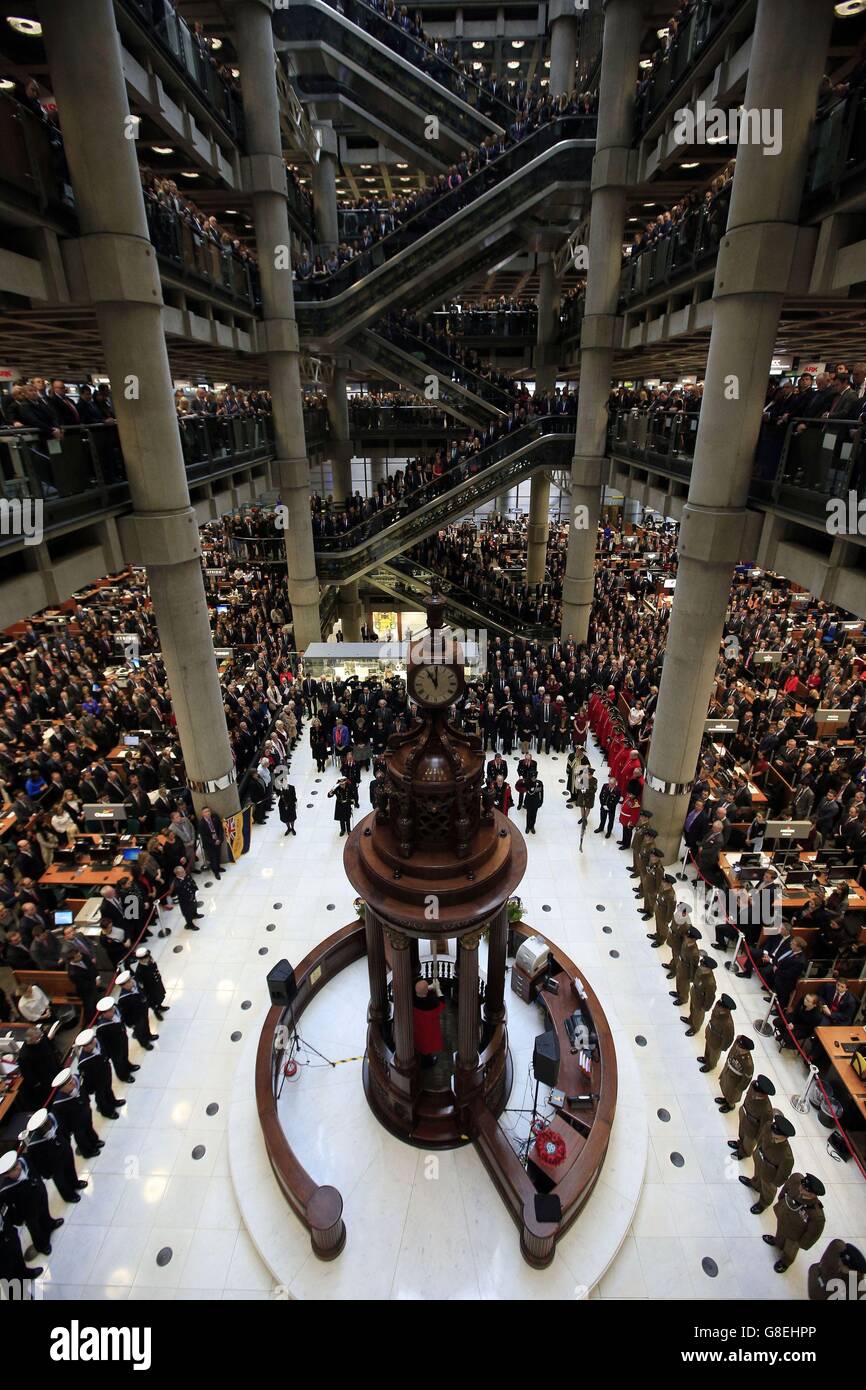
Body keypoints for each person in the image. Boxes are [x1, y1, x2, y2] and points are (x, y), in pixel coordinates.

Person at [0, 1150, 63, 1257]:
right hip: (27, 1211)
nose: (19, 1167)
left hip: (39, 1195)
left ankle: (49, 1224)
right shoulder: (5, 1190)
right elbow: (10, 1208)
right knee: (35, 1229)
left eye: (17, 1164)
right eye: (14, 1169)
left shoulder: (24, 1161)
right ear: (7, 1175)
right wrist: (19, 1220)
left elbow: (36, 1169)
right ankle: (42, 1245)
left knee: (44, 1213)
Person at [19, 1108, 88, 1204]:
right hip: (53, 1164)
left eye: (47, 1122)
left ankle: (75, 1183)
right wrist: (46, 1173)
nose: (49, 1125)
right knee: (61, 1181)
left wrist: (67, 1145)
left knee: (70, 1169)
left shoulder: (54, 1122)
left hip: (64, 1151)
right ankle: (68, 1195)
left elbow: (64, 1132)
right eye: (45, 1125)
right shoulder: (34, 1144)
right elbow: (38, 1161)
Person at [764, 1173, 826, 1274]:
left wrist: (801, 1243)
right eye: (802, 1185)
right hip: (784, 1218)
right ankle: (777, 1242)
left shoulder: (816, 1215)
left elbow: (812, 1234)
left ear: (813, 1195)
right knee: (780, 1232)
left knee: (790, 1249)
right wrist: (781, 1201)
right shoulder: (795, 1180)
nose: (801, 1189)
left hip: (795, 1235)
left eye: (806, 1191)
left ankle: (785, 1262)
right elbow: (786, 1188)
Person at [739, 1110, 795, 1214]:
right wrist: (757, 1153)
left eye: (777, 1138)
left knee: (768, 1190)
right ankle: (755, 1184)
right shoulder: (769, 1127)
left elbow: (782, 1175)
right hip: (760, 1159)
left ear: (785, 1137)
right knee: (757, 1174)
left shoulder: (787, 1156)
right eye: (773, 1135)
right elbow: (761, 1139)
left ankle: (763, 1203)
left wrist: (774, 1183)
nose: (773, 1137)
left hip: (771, 1175)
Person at [50, 1067, 104, 1159]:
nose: (73, 1083)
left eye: (72, 1080)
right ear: (62, 1089)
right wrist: (69, 1129)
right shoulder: (59, 1103)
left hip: (86, 1112)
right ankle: (87, 1151)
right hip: (76, 1124)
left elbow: (85, 1092)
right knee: (81, 1137)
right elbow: (63, 1120)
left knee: (89, 1128)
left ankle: (94, 1141)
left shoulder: (78, 1080)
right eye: (70, 1083)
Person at [75, 1028, 124, 1119]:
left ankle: (113, 1101)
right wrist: (91, 1089)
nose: (94, 1042)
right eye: (90, 1043)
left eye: (93, 1040)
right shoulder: (84, 1062)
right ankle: (106, 1111)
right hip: (97, 1081)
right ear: (85, 1047)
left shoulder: (97, 1042)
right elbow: (87, 1078)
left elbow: (105, 1050)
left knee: (108, 1089)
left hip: (106, 1071)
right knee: (101, 1097)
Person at [728, 1074, 775, 1161]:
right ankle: (740, 1144)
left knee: (748, 1144)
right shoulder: (753, 1086)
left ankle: (744, 1152)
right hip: (745, 1116)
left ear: (764, 1095)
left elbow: (763, 1129)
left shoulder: (767, 1111)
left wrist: (757, 1139)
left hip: (753, 1130)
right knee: (741, 1134)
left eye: (758, 1094)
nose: (754, 1094)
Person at [93, 998, 139, 1084]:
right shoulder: (102, 1028)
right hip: (114, 1047)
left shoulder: (116, 1010)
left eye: (112, 1009)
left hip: (122, 1038)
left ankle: (128, 1066)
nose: (113, 1011)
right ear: (104, 1013)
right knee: (118, 1062)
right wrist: (107, 1054)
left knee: (125, 1054)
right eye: (110, 1011)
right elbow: (102, 1043)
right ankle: (123, 1075)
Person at [116, 970, 159, 1048]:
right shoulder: (123, 999)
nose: (131, 982)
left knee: (146, 1024)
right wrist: (131, 1024)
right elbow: (125, 1014)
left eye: (130, 980)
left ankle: (149, 1036)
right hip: (135, 1019)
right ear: (123, 986)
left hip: (143, 1011)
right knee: (140, 1032)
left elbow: (142, 991)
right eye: (128, 982)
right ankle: (144, 1043)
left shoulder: (135, 984)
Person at [715, 1033, 754, 1113]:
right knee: (726, 1089)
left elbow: (746, 1078)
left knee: (732, 1095)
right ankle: (725, 1099)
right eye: (739, 1046)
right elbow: (733, 1047)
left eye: (741, 1048)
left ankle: (730, 1106)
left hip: (736, 1081)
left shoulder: (748, 1064)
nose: (738, 1048)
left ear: (746, 1050)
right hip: (729, 1073)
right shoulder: (737, 1048)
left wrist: (740, 1088)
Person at [698, 992, 736, 1072]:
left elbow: (729, 1038)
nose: (718, 1004)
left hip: (717, 1042)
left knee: (713, 1056)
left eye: (721, 1004)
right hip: (710, 1033)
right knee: (708, 1049)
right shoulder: (718, 1008)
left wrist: (723, 1048)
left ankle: (710, 1065)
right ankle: (706, 1058)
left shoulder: (728, 1023)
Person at [412, 977, 444, 1068]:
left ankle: (422, 1058)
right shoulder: (432, 1004)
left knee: (419, 1042)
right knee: (426, 1045)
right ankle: (428, 1063)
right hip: (428, 1027)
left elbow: (421, 992)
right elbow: (442, 1004)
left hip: (417, 1026)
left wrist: (429, 987)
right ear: (426, 992)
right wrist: (437, 989)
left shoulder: (413, 999)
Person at [134, 946, 168, 1021]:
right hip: (150, 991)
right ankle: (156, 1012)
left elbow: (155, 969)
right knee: (153, 1003)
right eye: (146, 957)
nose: (148, 958)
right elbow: (141, 986)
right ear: (141, 959)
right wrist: (145, 995)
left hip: (156, 985)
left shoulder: (150, 961)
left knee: (159, 997)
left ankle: (160, 1006)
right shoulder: (139, 971)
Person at [172, 864, 203, 930]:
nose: (184, 872)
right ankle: (190, 924)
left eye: (184, 871)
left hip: (192, 896)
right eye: (182, 872)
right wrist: (192, 896)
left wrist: (196, 890)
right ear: (177, 874)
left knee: (194, 906)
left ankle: (195, 914)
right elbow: (183, 895)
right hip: (185, 901)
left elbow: (192, 883)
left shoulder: (187, 875)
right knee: (188, 913)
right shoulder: (177, 884)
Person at [199, 805, 226, 878]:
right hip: (210, 844)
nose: (208, 813)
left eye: (208, 811)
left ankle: (218, 868)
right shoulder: (201, 824)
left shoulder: (215, 817)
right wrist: (214, 841)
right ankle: (216, 872)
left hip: (218, 840)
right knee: (213, 858)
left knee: (218, 856)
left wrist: (220, 839)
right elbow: (204, 837)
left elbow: (220, 828)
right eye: (205, 812)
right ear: (202, 814)